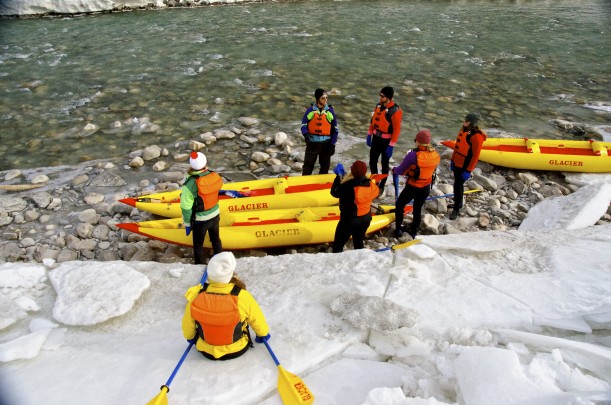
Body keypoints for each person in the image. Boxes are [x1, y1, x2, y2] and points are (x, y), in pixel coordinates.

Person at [182, 252, 270, 361]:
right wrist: (263, 334)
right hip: (237, 349)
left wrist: (190, 337)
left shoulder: (196, 296)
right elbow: (257, 319)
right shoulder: (242, 296)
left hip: (206, 350)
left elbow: (187, 322)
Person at [391, 129, 440, 239]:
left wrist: (393, 170)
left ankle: (398, 229)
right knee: (417, 208)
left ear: (417, 141)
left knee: (400, 205)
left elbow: (400, 170)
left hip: (413, 187)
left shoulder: (413, 155)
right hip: (426, 187)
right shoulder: (435, 154)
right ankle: (414, 231)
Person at [180, 151, 224, 264]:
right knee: (215, 239)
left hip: (200, 220)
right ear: (205, 163)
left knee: (198, 244)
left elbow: (186, 207)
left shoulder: (190, 183)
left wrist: (188, 224)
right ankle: (220, 260)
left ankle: (199, 265)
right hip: (215, 214)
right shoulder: (213, 175)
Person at [330, 160, 380, 253]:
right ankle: (359, 261)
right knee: (358, 242)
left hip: (349, 220)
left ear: (352, 171)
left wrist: (338, 178)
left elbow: (334, 192)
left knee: (338, 245)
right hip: (365, 219)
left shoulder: (347, 186)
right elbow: (377, 192)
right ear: (365, 172)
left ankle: (336, 263)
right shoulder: (371, 185)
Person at [366, 86, 403, 196]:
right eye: (380, 95)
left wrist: (391, 145)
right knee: (372, 161)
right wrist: (369, 134)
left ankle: (382, 185)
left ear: (389, 98)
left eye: (382, 96)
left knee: (384, 164)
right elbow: (373, 122)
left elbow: (396, 130)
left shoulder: (395, 111)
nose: (380, 98)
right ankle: (375, 181)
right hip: (376, 138)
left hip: (386, 142)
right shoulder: (378, 106)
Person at [449, 113, 487, 220]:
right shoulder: (464, 130)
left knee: (458, 186)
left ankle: (456, 209)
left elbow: (475, 156)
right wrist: (452, 160)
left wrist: (468, 170)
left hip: (465, 166)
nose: (464, 120)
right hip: (457, 162)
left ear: (470, 122)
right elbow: (457, 147)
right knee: (457, 185)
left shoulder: (476, 136)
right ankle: (459, 204)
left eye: (465, 119)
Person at [301, 88, 339, 175]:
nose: (325, 100)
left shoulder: (330, 111)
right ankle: (304, 183)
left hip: (326, 144)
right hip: (312, 143)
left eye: (326, 98)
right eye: (323, 98)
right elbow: (303, 125)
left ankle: (321, 184)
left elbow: (335, 130)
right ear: (318, 99)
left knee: (325, 166)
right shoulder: (310, 111)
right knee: (307, 166)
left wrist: (332, 144)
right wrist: (306, 135)